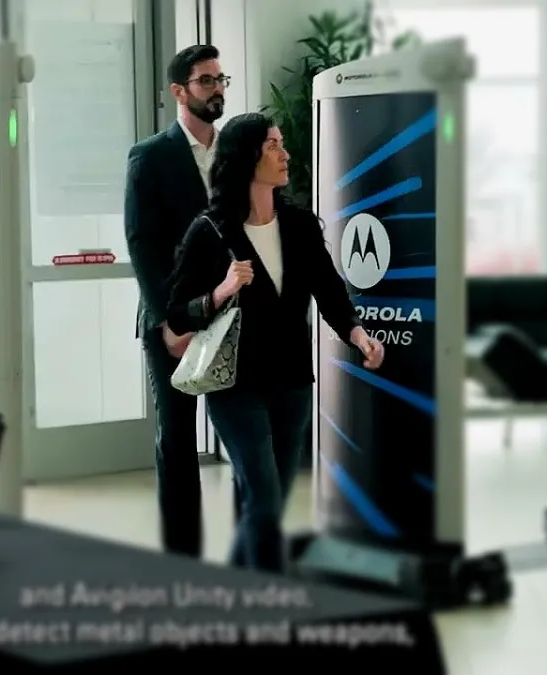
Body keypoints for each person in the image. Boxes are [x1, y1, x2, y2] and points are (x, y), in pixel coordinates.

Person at [164, 113, 385, 573]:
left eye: (282, 143)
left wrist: (358, 334)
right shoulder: (209, 231)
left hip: (292, 383)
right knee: (263, 501)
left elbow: (329, 289)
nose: (285, 155)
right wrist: (221, 291)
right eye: (272, 146)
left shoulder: (301, 226)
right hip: (235, 388)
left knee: (267, 506)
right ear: (247, 157)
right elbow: (177, 312)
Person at [124, 45, 229, 559]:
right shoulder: (151, 155)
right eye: (206, 81)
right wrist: (173, 319)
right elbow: (142, 245)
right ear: (178, 92)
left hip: (234, 314)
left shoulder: (236, 152)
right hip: (174, 322)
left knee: (247, 431)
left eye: (220, 79)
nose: (217, 89)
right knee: (179, 441)